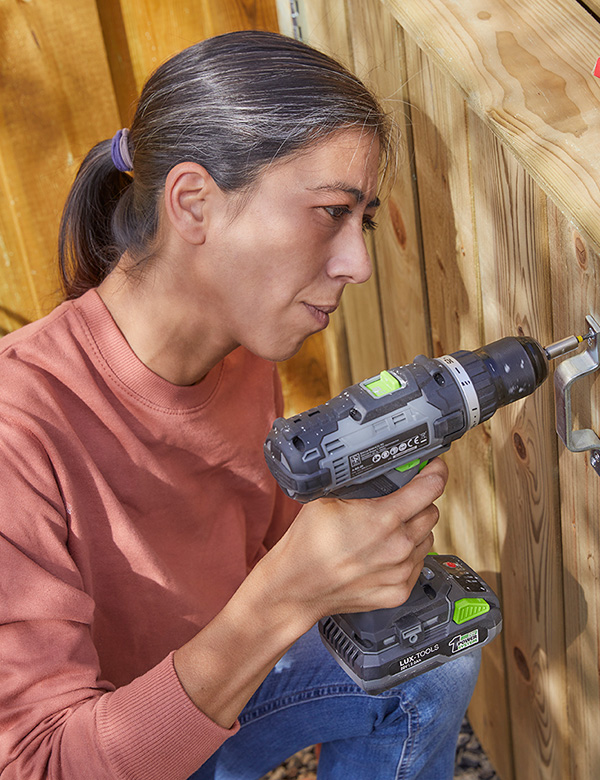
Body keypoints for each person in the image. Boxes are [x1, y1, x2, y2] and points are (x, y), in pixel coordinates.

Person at [0, 30, 479, 780]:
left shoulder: (247, 343)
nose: (357, 263)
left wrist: (345, 554)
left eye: (366, 221)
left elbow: (255, 538)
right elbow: (40, 765)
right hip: (107, 747)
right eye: (329, 212)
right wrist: (288, 593)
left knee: (429, 654)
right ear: (193, 202)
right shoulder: (17, 431)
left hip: (216, 688)